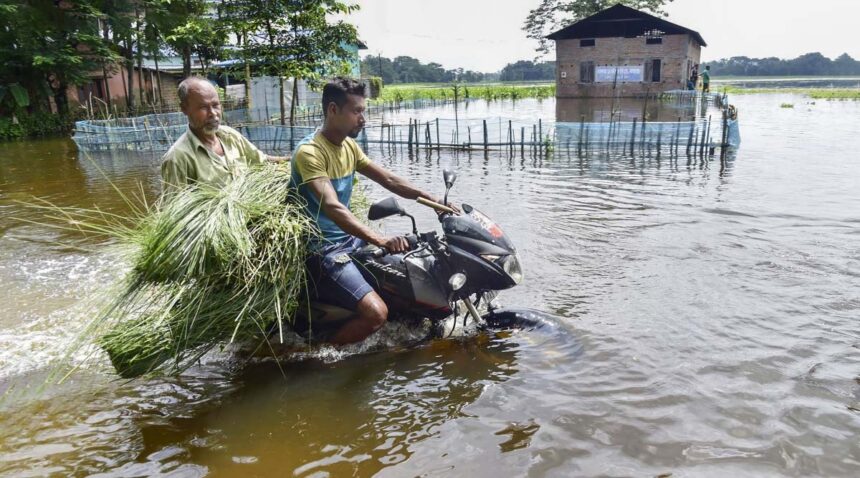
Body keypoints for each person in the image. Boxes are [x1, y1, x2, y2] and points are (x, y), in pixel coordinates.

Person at [291, 77, 456, 345]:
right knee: (376, 314)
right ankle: (317, 357)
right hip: (323, 249)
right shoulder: (310, 152)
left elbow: (390, 181)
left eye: (363, 111)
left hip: (349, 240)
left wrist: (435, 201)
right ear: (333, 110)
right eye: (357, 111)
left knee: (409, 271)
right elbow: (332, 207)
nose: (363, 119)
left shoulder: (348, 146)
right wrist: (380, 239)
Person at [160, 77, 288, 196]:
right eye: (203, 107)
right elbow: (176, 212)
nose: (213, 114)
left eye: (215, 105)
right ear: (184, 109)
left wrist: (292, 160)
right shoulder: (178, 158)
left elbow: (262, 160)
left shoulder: (230, 136)